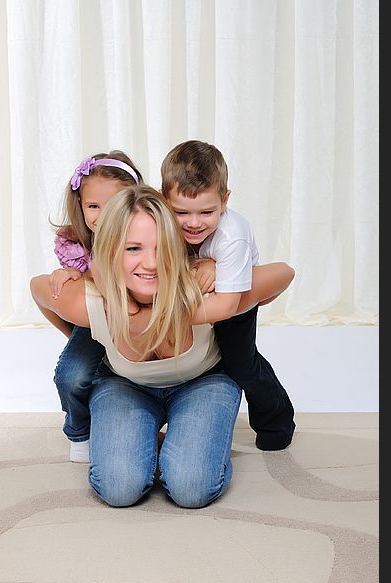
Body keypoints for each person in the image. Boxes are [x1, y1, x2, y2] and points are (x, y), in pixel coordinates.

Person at [31, 185, 294, 508]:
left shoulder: (204, 291)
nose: (151, 264)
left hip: (204, 382)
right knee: (118, 489)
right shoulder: (88, 302)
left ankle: (198, 439)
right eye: (133, 249)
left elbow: (284, 273)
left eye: (161, 248)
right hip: (124, 386)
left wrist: (222, 275)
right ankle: (160, 438)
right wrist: (89, 332)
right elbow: (38, 290)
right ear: (111, 250)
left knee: (192, 489)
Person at [161, 140, 295, 451]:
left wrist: (167, 318)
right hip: (193, 293)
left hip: (233, 298)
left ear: (225, 200)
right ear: (165, 200)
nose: (194, 223)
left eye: (206, 212)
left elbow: (227, 305)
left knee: (240, 363)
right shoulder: (162, 220)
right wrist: (203, 263)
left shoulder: (233, 235)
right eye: (182, 212)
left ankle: (277, 419)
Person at [51, 151, 144, 462]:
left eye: (115, 205)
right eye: (93, 206)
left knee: (133, 378)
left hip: (138, 320)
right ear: (80, 206)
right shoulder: (77, 242)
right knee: (72, 374)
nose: (103, 216)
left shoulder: (147, 235)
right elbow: (73, 289)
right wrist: (72, 273)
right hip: (97, 318)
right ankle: (79, 429)